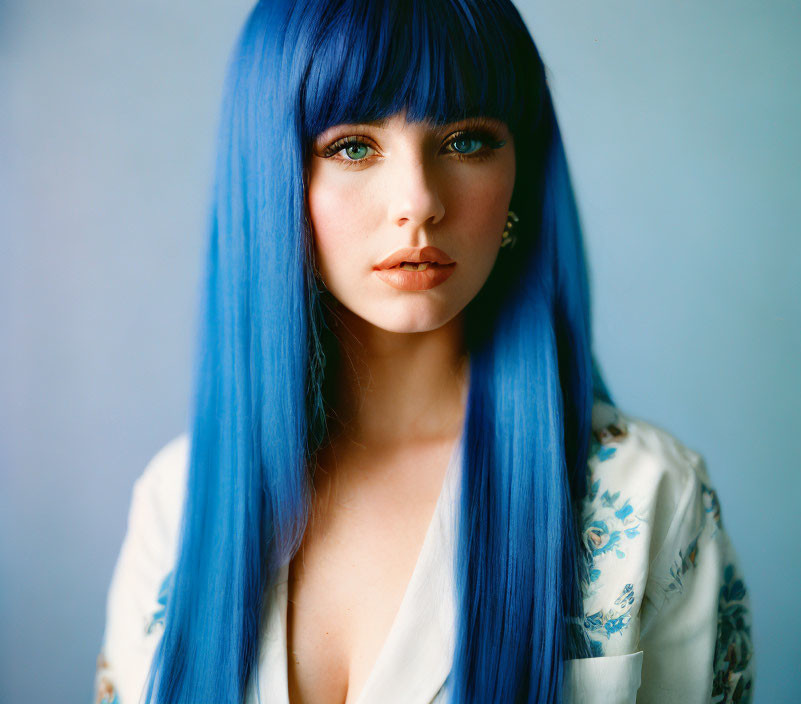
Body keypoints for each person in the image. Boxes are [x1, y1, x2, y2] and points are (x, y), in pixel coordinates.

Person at [94, 0, 755, 702]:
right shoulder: (178, 503)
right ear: (273, 177)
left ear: (519, 181)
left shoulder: (645, 497)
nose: (418, 202)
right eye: (353, 146)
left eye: (467, 141)